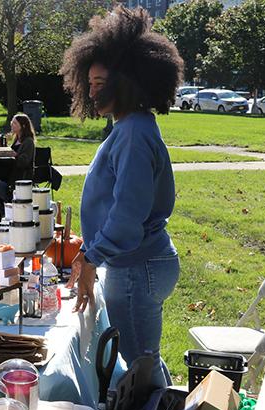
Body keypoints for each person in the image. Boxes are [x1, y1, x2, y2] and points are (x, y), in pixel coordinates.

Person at [61, 5, 183, 388]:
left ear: (129, 81)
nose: (93, 91)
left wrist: (92, 256)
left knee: (139, 366)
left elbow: (128, 213)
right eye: (90, 83)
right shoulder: (132, 126)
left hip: (136, 266)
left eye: (102, 83)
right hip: (141, 261)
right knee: (144, 356)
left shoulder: (132, 133)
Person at [0, 113, 36, 205]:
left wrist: (14, 154)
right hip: (11, 170)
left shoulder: (28, 142)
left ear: (23, 126)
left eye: (15, 123)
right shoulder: (17, 139)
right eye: (12, 122)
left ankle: (4, 199)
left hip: (20, 174)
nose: (12, 124)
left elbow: (24, 162)